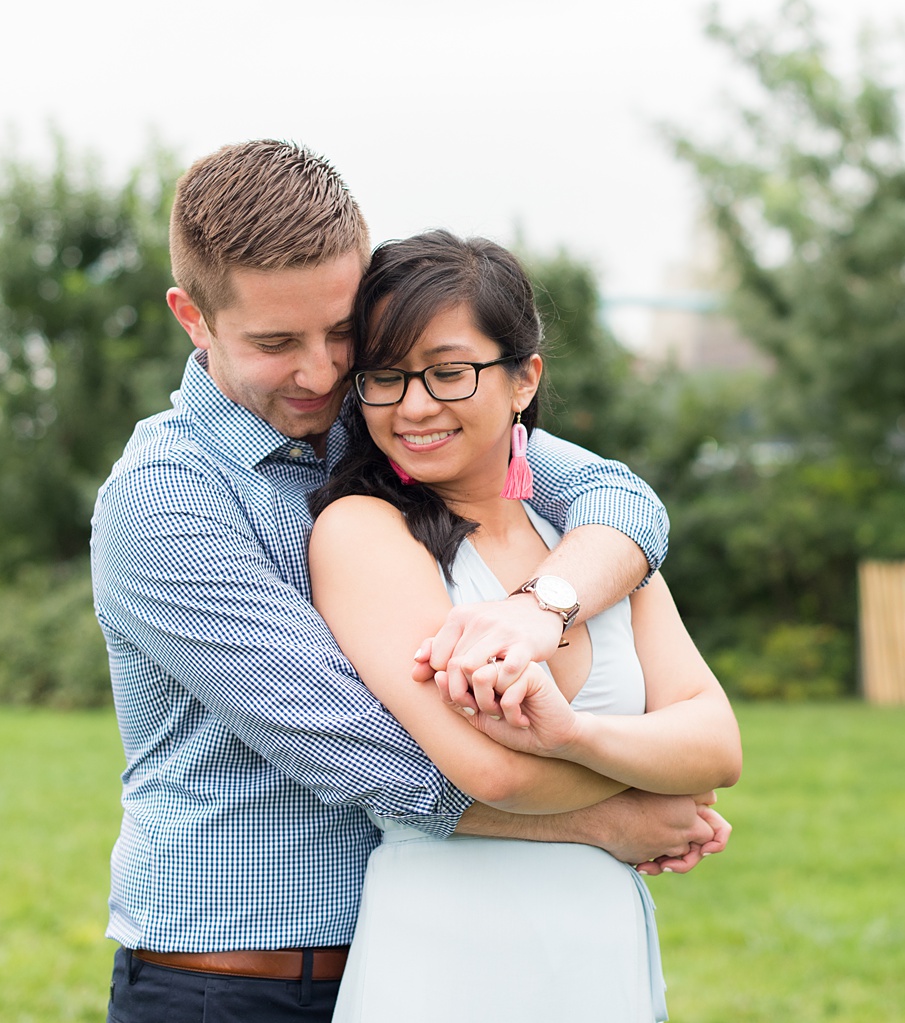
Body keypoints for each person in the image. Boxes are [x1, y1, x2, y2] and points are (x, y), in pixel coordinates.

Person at [91, 140, 729, 1023]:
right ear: (193, 318)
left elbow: (619, 500)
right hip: (235, 985)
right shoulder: (167, 498)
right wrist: (606, 817)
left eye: (341, 332)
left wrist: (541, 611)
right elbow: (374, 757)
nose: (321, 373)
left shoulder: (388, 409)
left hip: (401, 955)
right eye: (276, 342)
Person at [309, 231, 742, 1022]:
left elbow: (716, 746)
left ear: (523, 378)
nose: (414, 406)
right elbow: (490, 770)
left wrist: (571, 735)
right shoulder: (364, 531)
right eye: (387, 377)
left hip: (601, 948)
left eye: (448, 372)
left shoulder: (593, 550)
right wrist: (643, 782)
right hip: (447, 952)